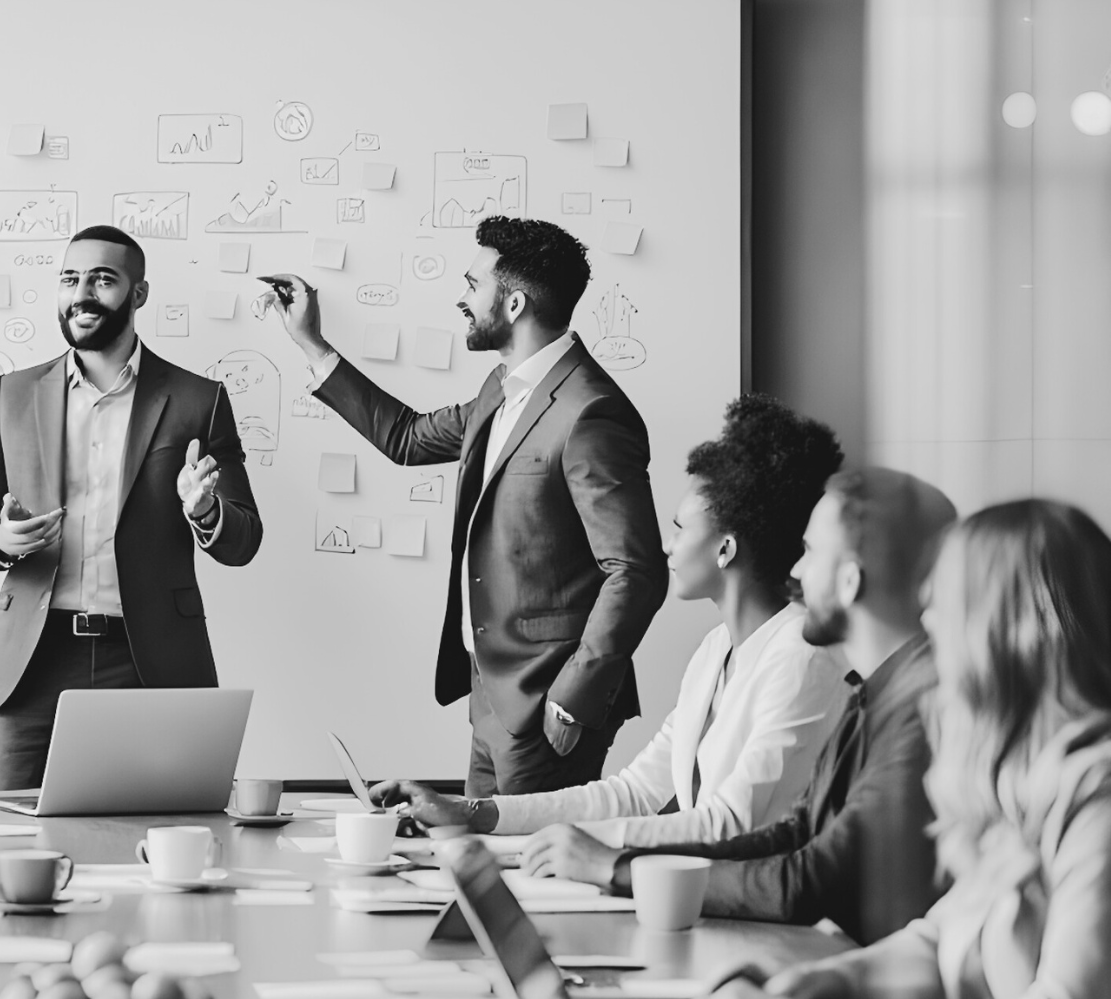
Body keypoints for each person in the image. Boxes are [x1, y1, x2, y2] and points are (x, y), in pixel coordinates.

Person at [262, 216, 665, 794]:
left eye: (473, 284)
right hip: (488, 695)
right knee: (476, 866)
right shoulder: (500, 391)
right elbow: (406, 437)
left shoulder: (590, 411)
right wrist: (312, 343)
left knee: (531, 877)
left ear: (516, 303)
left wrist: (573, 702)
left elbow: (635, 570)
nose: (461, 298)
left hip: (546, 702)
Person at [373, 395, 850, 847]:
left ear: (725, 549)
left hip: (756, 914)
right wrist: (471, 811)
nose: (665, 544)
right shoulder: (715, 650)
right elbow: (633, 793)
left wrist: (590, 851)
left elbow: (727, 825)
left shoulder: (801, 656)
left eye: (680, 528)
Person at [520, 468, 957, 947]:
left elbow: (809, 879)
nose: (793, 571)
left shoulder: (919, 707)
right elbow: (794, 834)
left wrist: (613, 865)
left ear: (850, 581)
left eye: (810, 553)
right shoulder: (872, 691)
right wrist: (615, 862)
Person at [0, 225, 264, 791]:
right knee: (9, 836)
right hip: (33, 664)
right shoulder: (10, 395)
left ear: (138, 295)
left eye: (103, 279)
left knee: (160, 839)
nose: (82, 293)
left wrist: (206, 511)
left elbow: (245, 540)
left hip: (150, 665)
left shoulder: (199, 400)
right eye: (70, 278)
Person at [760, 500, 1111, 998]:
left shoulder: (1098, 795)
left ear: (1007, 631)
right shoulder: (1017, 786)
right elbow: (939, 937)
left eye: (946, 601)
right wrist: (838, 978)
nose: (928, 619)